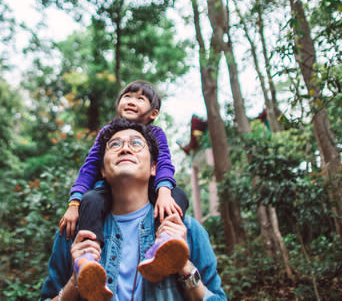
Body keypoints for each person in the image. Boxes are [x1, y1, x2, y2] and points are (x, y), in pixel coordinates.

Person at [41, 118, 228, 301]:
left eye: (136, 143)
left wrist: (184, 266)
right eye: (114, 145)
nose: (125, 148)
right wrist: (76, 281)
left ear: (154, 168)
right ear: (103, 171)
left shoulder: (187, 230)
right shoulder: (75, 233)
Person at [59, 81, 190, 300]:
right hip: (108, 193)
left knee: (178, 195)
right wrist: (74, 203)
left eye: (140, 99)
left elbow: (165, 163)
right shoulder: (106, 134)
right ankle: (88, 260)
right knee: (91, 199)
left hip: (152, 190)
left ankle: (165, 243)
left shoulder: (156, 134)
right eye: (127, 96)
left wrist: (164, 190)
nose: (131, 101)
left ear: (153, 113)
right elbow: (88, 169)